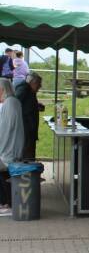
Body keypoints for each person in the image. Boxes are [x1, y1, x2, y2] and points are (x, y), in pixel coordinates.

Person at [0, 78, 25, 215]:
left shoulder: (10, 103)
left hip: (9, 146)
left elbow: (5, 128)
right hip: (10, 145)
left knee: (5, 174)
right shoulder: (12, 102)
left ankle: (8, 203)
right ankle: (7, 202)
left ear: (3, 90)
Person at [15, 72, 44, 160]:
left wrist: (36, 106)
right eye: (38, 84)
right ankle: (28, 168)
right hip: (26, 129)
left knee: (29, 152)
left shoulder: (29, 90)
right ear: (32, 82)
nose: (40, 86)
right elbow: (16, 104)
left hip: (29, 129)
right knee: (27, 154)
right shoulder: (24, 89)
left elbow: (27, 104)